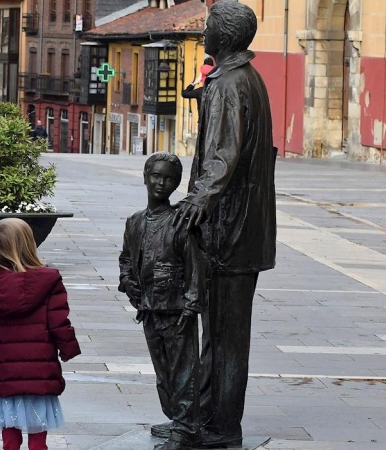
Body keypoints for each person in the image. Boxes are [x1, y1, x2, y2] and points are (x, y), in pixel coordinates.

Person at [173, 1, 276, 447]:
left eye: (208, 30)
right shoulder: (237, 79)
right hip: (238, 228)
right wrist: (204, 102)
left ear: (225, 38)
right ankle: (204, 418)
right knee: (218, 331)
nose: (204, 36)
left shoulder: (231, 83)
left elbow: (224, 154)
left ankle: (221, 427)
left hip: (229, 231)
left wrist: (198, 201)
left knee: (227, 335)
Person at [0, 218, 81, 450]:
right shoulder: (49, 281)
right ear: (29, 245)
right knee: (38, 431)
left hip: (3, 371)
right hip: (39, 369)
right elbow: (59, 321)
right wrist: (68, 349)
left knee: (10, 429)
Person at [119, 153, 205, 450]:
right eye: (156, 175)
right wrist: (131, 287)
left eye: (169, 178)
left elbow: (195, 266)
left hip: (176, 309)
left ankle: (185, 429)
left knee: (184, 371)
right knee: (163, 372)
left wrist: (191, 306)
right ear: (145, 175)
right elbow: (127, 259)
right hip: (148, 309)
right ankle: (177, 419)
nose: (161, 182)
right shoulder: (135, 222)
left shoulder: (180, 223)